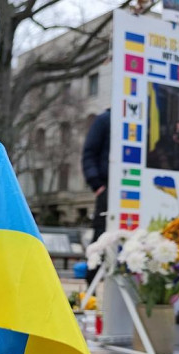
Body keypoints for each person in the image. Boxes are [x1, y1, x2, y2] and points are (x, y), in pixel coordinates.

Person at [82, 108, 110, 285]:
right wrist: (97, 185)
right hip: (107, 190)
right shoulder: (104, 120)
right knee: (100, 240)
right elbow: (89, 153)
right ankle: (91, 286)